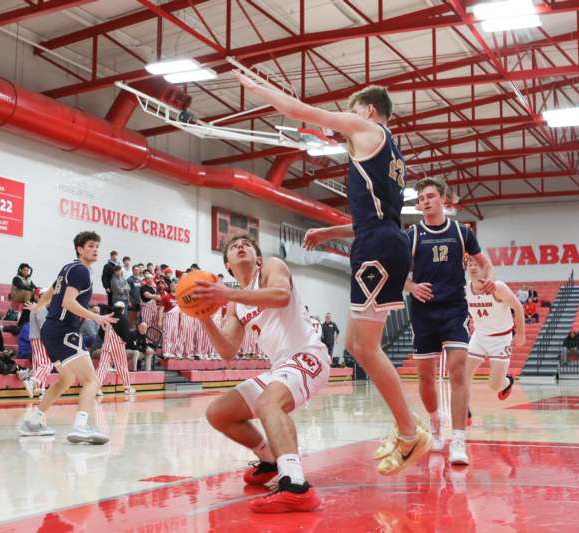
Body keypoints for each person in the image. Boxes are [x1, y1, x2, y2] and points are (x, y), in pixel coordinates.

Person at [239, 74, 431, 474]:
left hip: (379, 246)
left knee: (365, 348)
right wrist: (330, 231)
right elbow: (377, 216)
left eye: (354, 108)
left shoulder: (368, 127)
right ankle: (408, 429)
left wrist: (260, 89)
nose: (349, 116)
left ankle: (411, 433)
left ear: (369, 110)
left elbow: (301, 112)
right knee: (359, 345)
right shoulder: (392, 155)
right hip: (382, 239)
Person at [194, 235, 331, 513]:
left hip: (308, 355)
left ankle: (295, 485)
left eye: (246, 244)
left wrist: (227, 293)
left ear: (257, 258)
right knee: (218, 412)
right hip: (281, 367)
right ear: (228, 266)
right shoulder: (235, 304)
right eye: (234, 247)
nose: (240, 246)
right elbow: (228, 350)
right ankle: (270, 459)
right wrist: (204, 318)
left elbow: (280, 296)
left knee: (269, 402)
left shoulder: (271, 267)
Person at [395, 177, 495, 466]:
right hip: (423, 312)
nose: (425, 201)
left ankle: (459, 439)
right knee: (425, 377)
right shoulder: (411, 235)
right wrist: (411, 287)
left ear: (443, 199)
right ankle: (436, 422)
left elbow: (484, 263)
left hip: (454, 310)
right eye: (421, 198)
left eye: (429, 196)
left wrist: (485, 280)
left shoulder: (461, 232)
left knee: (458, 370)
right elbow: (393, 270)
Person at [18, 231, 116, 443]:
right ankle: (81, 426)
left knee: (67, 379)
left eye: (97, 246)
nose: (95, 249)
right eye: (90, 246)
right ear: (80, 249)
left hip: (51, 330)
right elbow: (68, 302)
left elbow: (53, 290)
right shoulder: (81, 270)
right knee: (92, 380)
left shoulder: (68, 268)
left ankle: (33, 421)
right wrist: (95, 318)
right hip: (64, 331)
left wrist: (38, 306)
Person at [465, 255, 525, 404]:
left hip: (501, 339)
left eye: (476, 264)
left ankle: (507, 381)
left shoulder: (497, 288)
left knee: (494, 386)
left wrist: (520, 333)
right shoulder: (464, 290)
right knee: (462, 375)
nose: (472, 267)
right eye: (469, 264)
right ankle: (465, 411)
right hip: (479, 337)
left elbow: (518, 307)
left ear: (485, 268)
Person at [96, 302, 134, 396]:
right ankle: (127, 388)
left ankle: (96, 387)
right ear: (123, 309)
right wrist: (125, 341)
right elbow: (126, 335)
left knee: (102, 366)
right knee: (122, 366)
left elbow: (100, 333)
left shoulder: (107, 318)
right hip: (118, 345)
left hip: (106, 344)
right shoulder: (123, 319)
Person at [22, 302, 51, 398]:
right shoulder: (41, 308)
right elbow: (44, 326)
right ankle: (31, 382)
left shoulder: (38, 307)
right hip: (41, 338)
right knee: (46, 365)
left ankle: (40, 389)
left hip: (36, 338)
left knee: (38, 365)